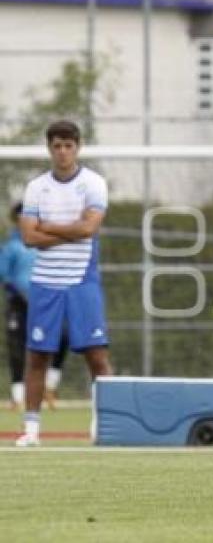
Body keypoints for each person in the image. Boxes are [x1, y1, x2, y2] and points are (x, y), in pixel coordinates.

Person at [15, 120, 112, 447]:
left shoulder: (94, 184)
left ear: (78, 147)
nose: (63, 152)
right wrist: (67, 229)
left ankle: (106, 424)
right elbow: (28, 237)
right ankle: (31, 429)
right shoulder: (36, 187)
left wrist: (47, 228)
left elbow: (88, 230)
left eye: (68, 145)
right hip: (45, 284)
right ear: (49, 148)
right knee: (38, 357)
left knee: (96, 356)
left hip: (82, 282)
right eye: (57, 146)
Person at [0, 203, 69, 411]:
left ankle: (49, 386)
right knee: (17, 347)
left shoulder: (47, 245)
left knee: (63, 337)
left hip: (46, 302)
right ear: (17, 219)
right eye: (23, 216)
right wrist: (21, 295)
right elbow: (4, 275)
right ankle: (18, 396)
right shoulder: (11, 247)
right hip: (18, 304)